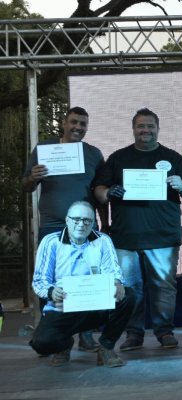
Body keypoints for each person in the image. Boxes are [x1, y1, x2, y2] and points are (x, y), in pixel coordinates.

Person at [94, 108, 182, 351]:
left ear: (158, 128)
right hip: (125, 237)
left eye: (150, 126)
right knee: (130, 289)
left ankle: (165, 332)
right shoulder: (118, 158)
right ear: (133, 129)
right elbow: (98, 189)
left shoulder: (173, 158)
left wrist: (181, 184)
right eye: (141, 126)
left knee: (163, 287)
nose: (145, 130)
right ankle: (133, 335)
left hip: (163, 236)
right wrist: (108, 193)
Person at [22, 106, 107, 352]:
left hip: (85, 227)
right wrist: (33, 176)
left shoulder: (93, 154)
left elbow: (99, 192)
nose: (78, 127)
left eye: (83, 124)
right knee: (49, 280)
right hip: (53, 226)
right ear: (64, 122)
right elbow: (26, 185)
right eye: (74, 122)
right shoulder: (44, 150)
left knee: (87, 280)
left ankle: (86, 335)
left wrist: (105, 224)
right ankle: (52, 336)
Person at [30, 201, 135, 368]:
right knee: (41, 344)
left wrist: (116, 282)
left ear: (93, 222)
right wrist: (51, 291)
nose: (81, 224)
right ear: (67, 220)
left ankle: (106, 348)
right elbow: (39, 281)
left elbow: (113, 272)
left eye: (87, 220)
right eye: (76, 219)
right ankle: (64, 344)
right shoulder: (51, 242)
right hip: (62, 307)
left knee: (128, 295)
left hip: (95, 305)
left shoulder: (103, 240)